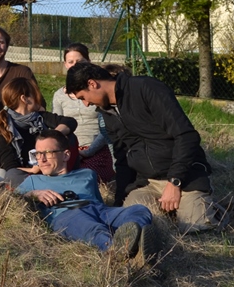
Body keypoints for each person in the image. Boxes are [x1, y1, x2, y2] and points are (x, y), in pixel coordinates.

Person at [66, 61, 224, 233]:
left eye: (82, 97)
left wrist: (175, 181)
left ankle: (209, 208)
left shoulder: (146, 88)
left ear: (92, 83)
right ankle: (169, 213)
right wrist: (118, 204)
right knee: (132, 226)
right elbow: (122, 160)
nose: (86, 104)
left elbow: (186, 136)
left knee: (196, 228)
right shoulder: (106, 114)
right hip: (148, 183)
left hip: (185, 178)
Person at [17, 129, 161, 261]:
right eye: (37, 154)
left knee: (139, 210)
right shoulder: (33, 181)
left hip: (99, 210)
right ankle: (116, 250)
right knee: (92, 228)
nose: (41, 159)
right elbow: (10, 201)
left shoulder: (87, 174)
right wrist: (32, 194)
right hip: (67, 215)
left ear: (66, 155)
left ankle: (137, 241)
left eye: (48, 153)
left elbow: (99, 203)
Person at [0, 77, 77, 188]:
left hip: (49, 167)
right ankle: (42, 189)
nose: (39, 98)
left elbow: (70, 122)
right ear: (24, 98)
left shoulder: (41, 117)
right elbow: (9, 166)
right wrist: (34, 169)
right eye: (35, 94)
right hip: (27, 173)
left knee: (70, 136)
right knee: (12, 175)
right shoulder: (4, 129)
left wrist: (53, 136)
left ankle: (66, 178)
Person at [51, 43, 113, 182]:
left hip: (97, 148)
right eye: (70, 62)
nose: (75, 66)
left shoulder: (97, 92)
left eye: (80, 62)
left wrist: (89, 151)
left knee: (87, 176)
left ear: (88, 62)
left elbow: (107, 128)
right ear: (65, 64)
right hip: (70, 149)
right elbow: (57, 126)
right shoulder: (59, 95)